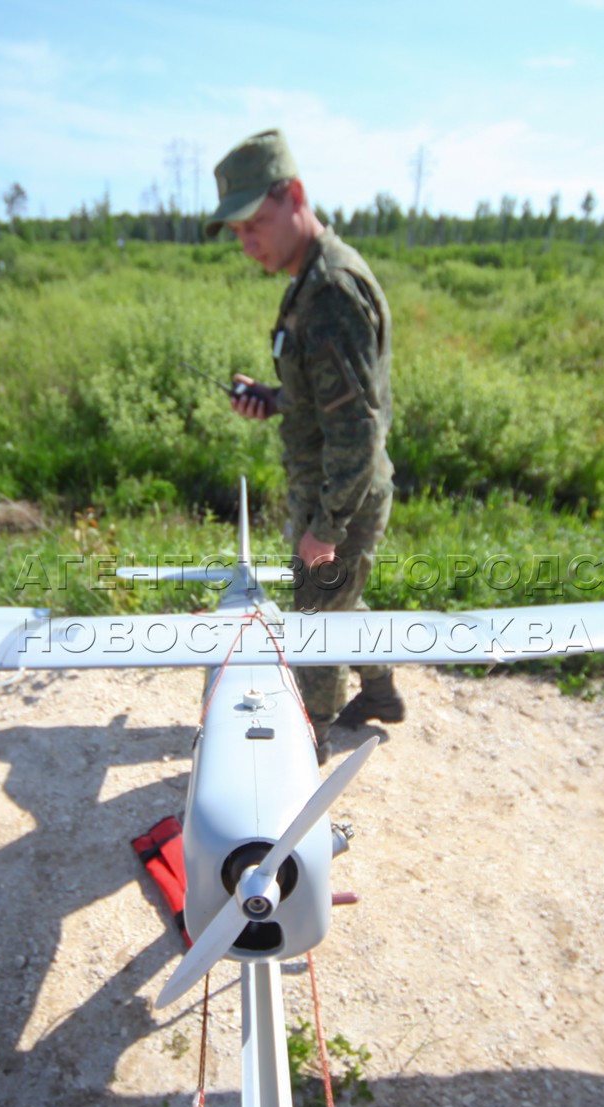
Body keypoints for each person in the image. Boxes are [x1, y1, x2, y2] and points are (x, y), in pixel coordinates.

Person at [204, 128, 406, 764]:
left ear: (293, 195)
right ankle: (382, 692)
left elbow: (357, 429)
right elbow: (327, 401)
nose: (247, 244)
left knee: (316, 623)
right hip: (332, 489)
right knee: (340, 599)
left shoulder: (331, 294)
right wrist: (272, 395)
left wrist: (325, 527)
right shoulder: (309, 282)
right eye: (237, 233)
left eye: (254, 224)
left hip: (338, 498)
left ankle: (306, 743)